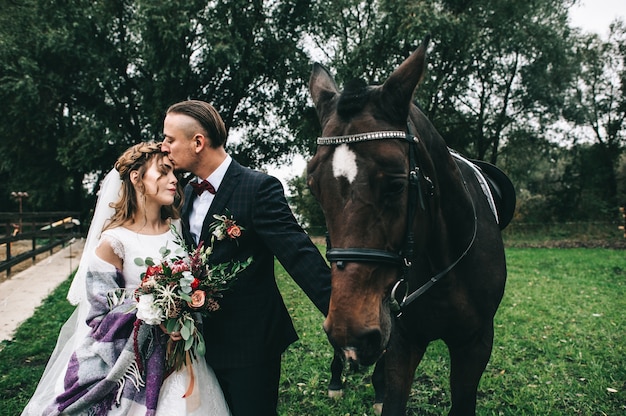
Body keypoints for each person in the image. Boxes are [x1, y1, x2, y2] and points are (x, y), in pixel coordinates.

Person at [21, 142, 230, 416]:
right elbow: (99, 315)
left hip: (187, 360)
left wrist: (187, 311)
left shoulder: (179, 228)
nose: (173, 181)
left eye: (174, 173)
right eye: (164, 172)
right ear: (136, 177)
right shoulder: (114, 241)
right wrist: (156, 316)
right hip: (136, 365)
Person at [161, 100, 332, 416]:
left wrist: (340, 314)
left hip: (250, 346)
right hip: (200, 344)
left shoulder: (258, 188)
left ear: (198, 142)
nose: (164, 146)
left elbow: (299, 254)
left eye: (170, 139)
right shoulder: (186, 193)